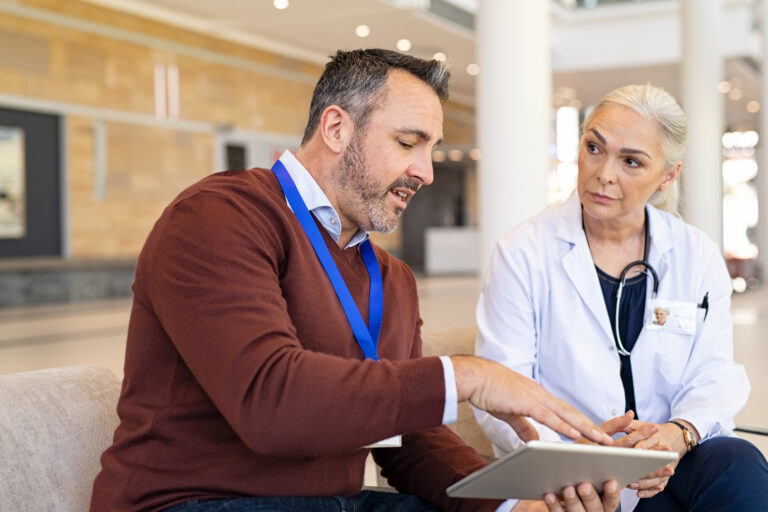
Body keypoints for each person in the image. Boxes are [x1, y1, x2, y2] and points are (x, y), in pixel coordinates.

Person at [90, 49, 621, 512]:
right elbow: (269, 402)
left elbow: (408, 440)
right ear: (337, 128)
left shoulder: (390, 278)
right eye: (408, 142)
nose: (426, 171)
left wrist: (510, 505)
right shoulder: (219, 217)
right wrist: (470, 376)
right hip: (198, 501)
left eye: (431, 148)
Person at [474, 83, 768, 512]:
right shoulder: (523, 252)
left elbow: (714, 375)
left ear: (668, 175)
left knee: (738, 463)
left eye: (631, 161)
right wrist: (579, 463)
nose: (604, 173)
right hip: (569, 472)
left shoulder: (693, 253)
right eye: (594, 148)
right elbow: (503, 391)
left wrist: (678, 434)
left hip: (670, 463)